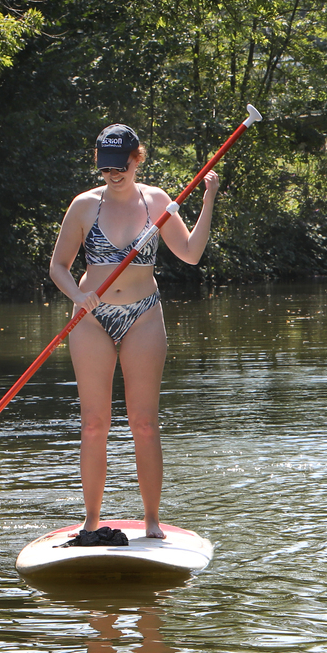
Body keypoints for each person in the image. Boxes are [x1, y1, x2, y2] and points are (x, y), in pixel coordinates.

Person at [48, 123, 220, 545]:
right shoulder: (84, 206)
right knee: (94, 424)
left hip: (144, 314)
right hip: (91, 318)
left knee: (144, 423)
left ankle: (152, 520)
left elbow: (192, 254)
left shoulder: (158, 202)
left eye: (121, 166)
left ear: (136, 158)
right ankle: (90, 522)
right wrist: (78, 293)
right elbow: (58, 267)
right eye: (106, 168)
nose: (113, 174)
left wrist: (208, 199)